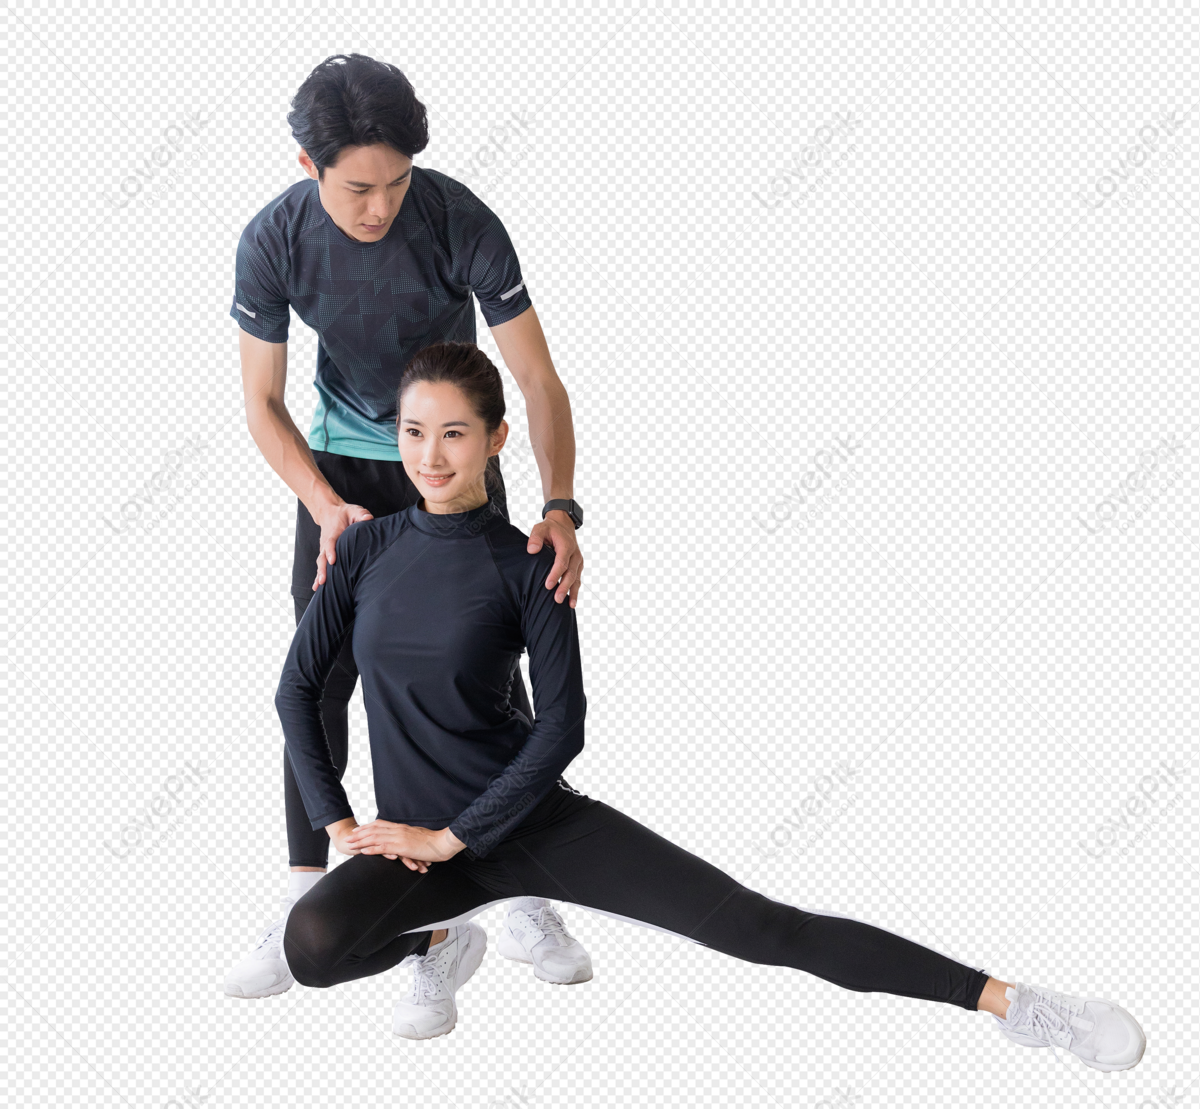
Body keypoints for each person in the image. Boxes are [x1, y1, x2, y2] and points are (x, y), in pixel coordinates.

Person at [276, 340, 1147, 1068]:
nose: (429, 456)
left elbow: (563, 727)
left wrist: (458, 835)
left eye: (455, 433)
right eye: (414, 431)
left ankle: (1015, 1004)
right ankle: (442, 939)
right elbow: (298, 688)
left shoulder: (528, 563)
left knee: (757, 928)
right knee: (311, 948)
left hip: (528, 823)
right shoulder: (362, 549)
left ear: (498, 438)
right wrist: (336, 818)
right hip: (418, 845)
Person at [223, 53, 592, 1005]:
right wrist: (321, 502)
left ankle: (512, 887)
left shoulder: (459, 217)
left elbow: (539, 380)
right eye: (357, 188)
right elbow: (260, 402)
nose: (380, 206)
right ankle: (310, 886)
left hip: (455, 466)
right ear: (308, 167)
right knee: (320, 677)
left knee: (485, 675)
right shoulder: (273, 239)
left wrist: (559, 506)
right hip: (339, 476)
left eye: (396, 183)